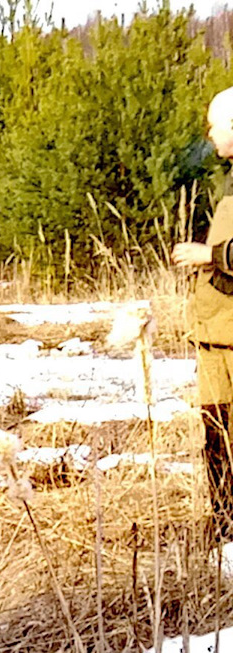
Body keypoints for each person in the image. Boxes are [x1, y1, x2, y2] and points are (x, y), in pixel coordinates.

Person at [172, 87, 233, 544]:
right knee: (216, 438)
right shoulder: (229, 180)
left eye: (215, 125)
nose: (209, 133)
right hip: (215, 334)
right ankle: (225, 530)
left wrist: (208, 255)